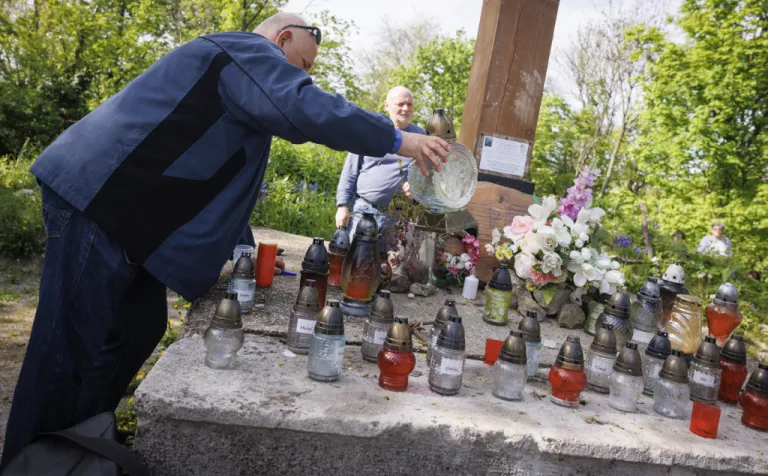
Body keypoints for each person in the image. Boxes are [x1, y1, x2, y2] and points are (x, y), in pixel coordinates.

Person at [0, 12, 449, 467]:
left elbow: (222, 175)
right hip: (100, 199)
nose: (304, 77)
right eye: (303, 65)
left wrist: (241, 249)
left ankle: (81, 441)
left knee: (138, 327)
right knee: (66, 350)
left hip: (129, 217)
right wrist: (397, 139)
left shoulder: (241, 81)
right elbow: (306, 106)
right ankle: (31, 462)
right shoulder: (246, 50)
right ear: (282, 38)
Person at [335, 86, 421, 241]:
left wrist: (417, 188)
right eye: (400, 104)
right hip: (364, 211)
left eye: (409, 104)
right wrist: (342, 206)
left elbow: (428, 176)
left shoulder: (420, 137)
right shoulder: (370, 131)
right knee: (354, 254)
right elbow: (350, 172)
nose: (405, 108)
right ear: (387, 105)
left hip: (398, 218)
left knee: (389, 258)